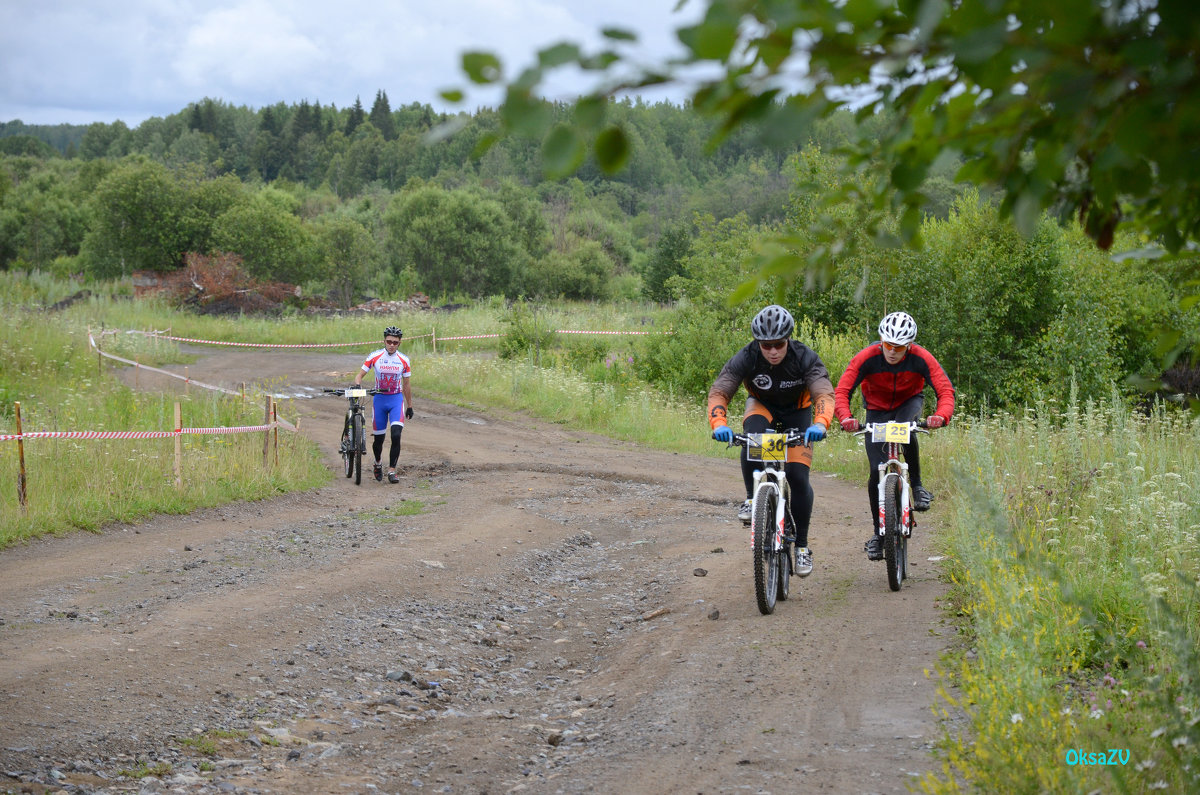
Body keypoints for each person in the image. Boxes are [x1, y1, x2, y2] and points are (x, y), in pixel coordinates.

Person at [707, 304, 835, 577]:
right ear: (758, 343)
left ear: (787, 339)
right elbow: (721, 389)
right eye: (766, 345)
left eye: (779, 344)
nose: (773, 351)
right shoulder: (747, 356)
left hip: (798, 413)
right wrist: (719, 424)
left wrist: (820, 424)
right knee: (751, 438)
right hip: (762, 406)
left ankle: (801, 547)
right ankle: (752, 499)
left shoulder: (804, 357)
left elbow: (824, 393)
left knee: (798, 477)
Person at [834, 311, 955, 561]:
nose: (892, 351)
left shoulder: (922, 358)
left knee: (905, 428)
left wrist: (941, 416)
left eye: (898, 347)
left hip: (908, 402)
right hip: (876, 409)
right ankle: (879, 535)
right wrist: (845, 418)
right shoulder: (866, 358)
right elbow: (842, 390)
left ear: (908, 346)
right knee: (875, 471)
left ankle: (918, 486)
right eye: (888, 345)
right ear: (881, 341)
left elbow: (945, 390)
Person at [354, 325, 413, 484]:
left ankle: (392, 470)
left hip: (395, 400)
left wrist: (410, 406)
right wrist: (358, 385)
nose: (392, 345)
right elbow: (359, 376)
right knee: (378, 440)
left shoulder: (404, 360)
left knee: (396, 434)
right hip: (379, 400)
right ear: (384, 341)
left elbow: (406, 385)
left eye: (395, 342)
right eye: (389, 341)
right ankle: (378, 463)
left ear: (399, 343)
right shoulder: (375, 356)